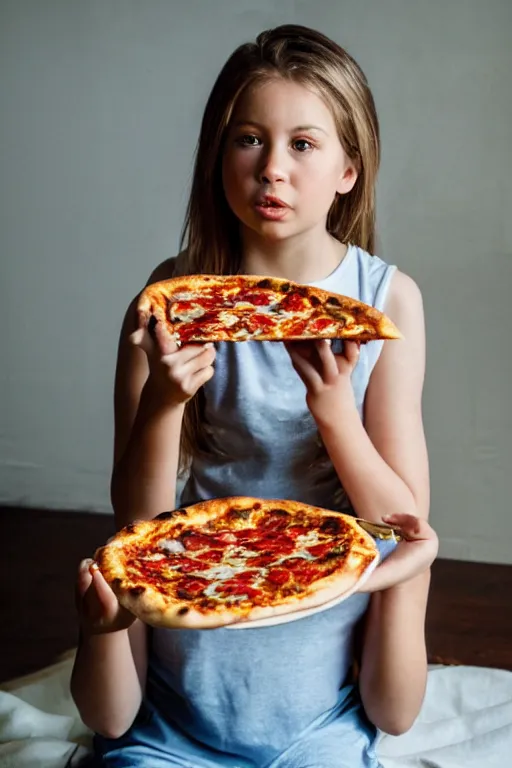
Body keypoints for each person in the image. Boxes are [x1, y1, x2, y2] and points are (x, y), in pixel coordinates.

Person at [71, 24, 438, 768]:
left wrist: (335, 415)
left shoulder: (386, 300)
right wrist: (164, 402)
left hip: (319, 671)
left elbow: (404, 522)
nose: (274, 169)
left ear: (349, 170)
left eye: (304, 144)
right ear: (218, 154)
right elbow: (136, 520)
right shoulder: (167, 300)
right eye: (249, 140)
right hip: (188, 647)